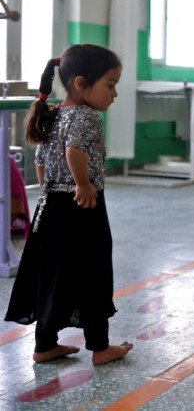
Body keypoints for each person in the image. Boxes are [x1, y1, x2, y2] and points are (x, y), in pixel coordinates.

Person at [4, 44, 133, 365]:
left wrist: (51, 187)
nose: (114, 94)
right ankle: (100, 348)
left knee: (53, 273)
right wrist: (83, 185)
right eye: (110, 84)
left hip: (50, 206)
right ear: (80, 83)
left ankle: (45, 344)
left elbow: (41, 160)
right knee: (93, 271)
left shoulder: (53, 113)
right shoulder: (87, 116)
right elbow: (75, 152)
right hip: (82, 204)